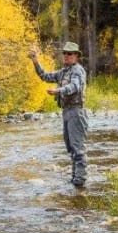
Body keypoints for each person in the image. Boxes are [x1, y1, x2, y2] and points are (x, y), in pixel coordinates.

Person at [28, 41, 88, 187]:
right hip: (66, 112)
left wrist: (58, 91)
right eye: (65, 53)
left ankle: (80, 181)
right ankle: (75, 179)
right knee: (71, 147)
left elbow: (74, 86)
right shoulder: (63, 72)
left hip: (76, 112)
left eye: (70, 54)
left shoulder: (78, 71)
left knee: (78, 148)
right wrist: (35, 61)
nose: (66, 56)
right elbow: (44, 76)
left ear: (76, 56)